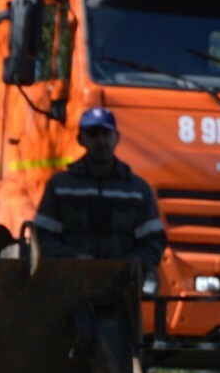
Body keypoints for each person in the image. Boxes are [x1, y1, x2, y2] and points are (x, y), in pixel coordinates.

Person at [33, 108, 166, 287]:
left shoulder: (138, 190)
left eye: (106, 133)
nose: (101, 141)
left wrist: (129, 266)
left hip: (121, 294)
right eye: (93, 134)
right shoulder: (61, 186)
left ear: (117, 138)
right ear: (80, 140)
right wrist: (71, 260)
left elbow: (154, 241)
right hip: (70, 290)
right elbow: (42, 237)